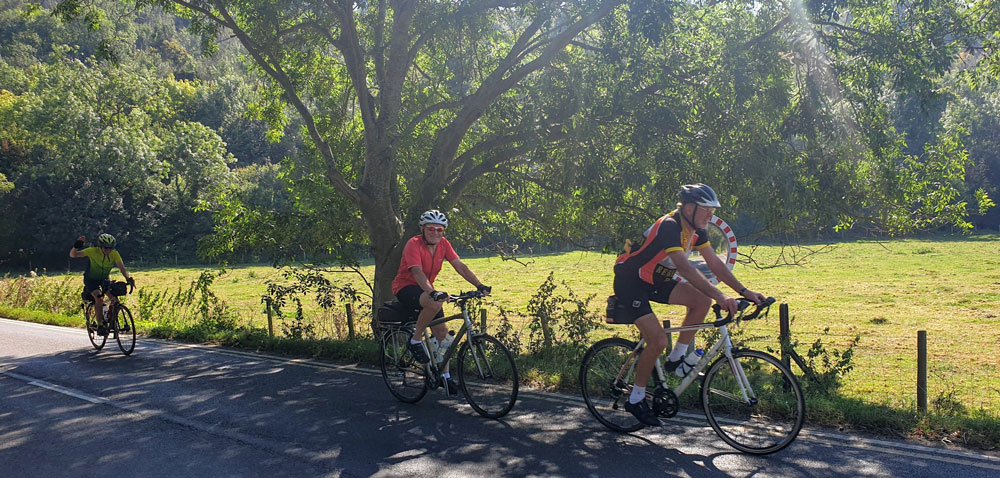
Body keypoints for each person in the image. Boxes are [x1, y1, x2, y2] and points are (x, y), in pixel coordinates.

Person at [612, 184, 766, 426]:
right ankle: (636, 398)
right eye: (706, 210)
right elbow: (684, 268)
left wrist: (744, 291)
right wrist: (720, 296)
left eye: (712, 211)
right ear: (689, 208)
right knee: (658, 340)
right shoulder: (669, 226)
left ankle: (676, 360)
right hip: (630, 280)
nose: (710, 216)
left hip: (656, 279)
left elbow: (715, 263)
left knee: (701, 301)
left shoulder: (696, 229)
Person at [391, 209, 491, 394]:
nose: (436, 233)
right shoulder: (413, 244)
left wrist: (479, 285)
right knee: (435, 303)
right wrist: (433, 292)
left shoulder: (443, 244)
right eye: (431, 229)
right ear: (422, 229)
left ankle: (445, 378)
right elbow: (417, 272)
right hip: (406, 287)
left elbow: (459, 265)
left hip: (426, 289)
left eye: (439, 230)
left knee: (443, 336)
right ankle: (415, 340)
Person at [69, 234, 135, 335]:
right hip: (91, 280)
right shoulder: (93, 251)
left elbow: (122, 268)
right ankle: (100, 325)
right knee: (99, 298)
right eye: (106, 248)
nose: (108, 250)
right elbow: (73, 255)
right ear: (100, 246)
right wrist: (77, 245)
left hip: (104, 279)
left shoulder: (114, 253)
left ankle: (112, 321)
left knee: (114, 299)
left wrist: (128, 278)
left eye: (110, 248)